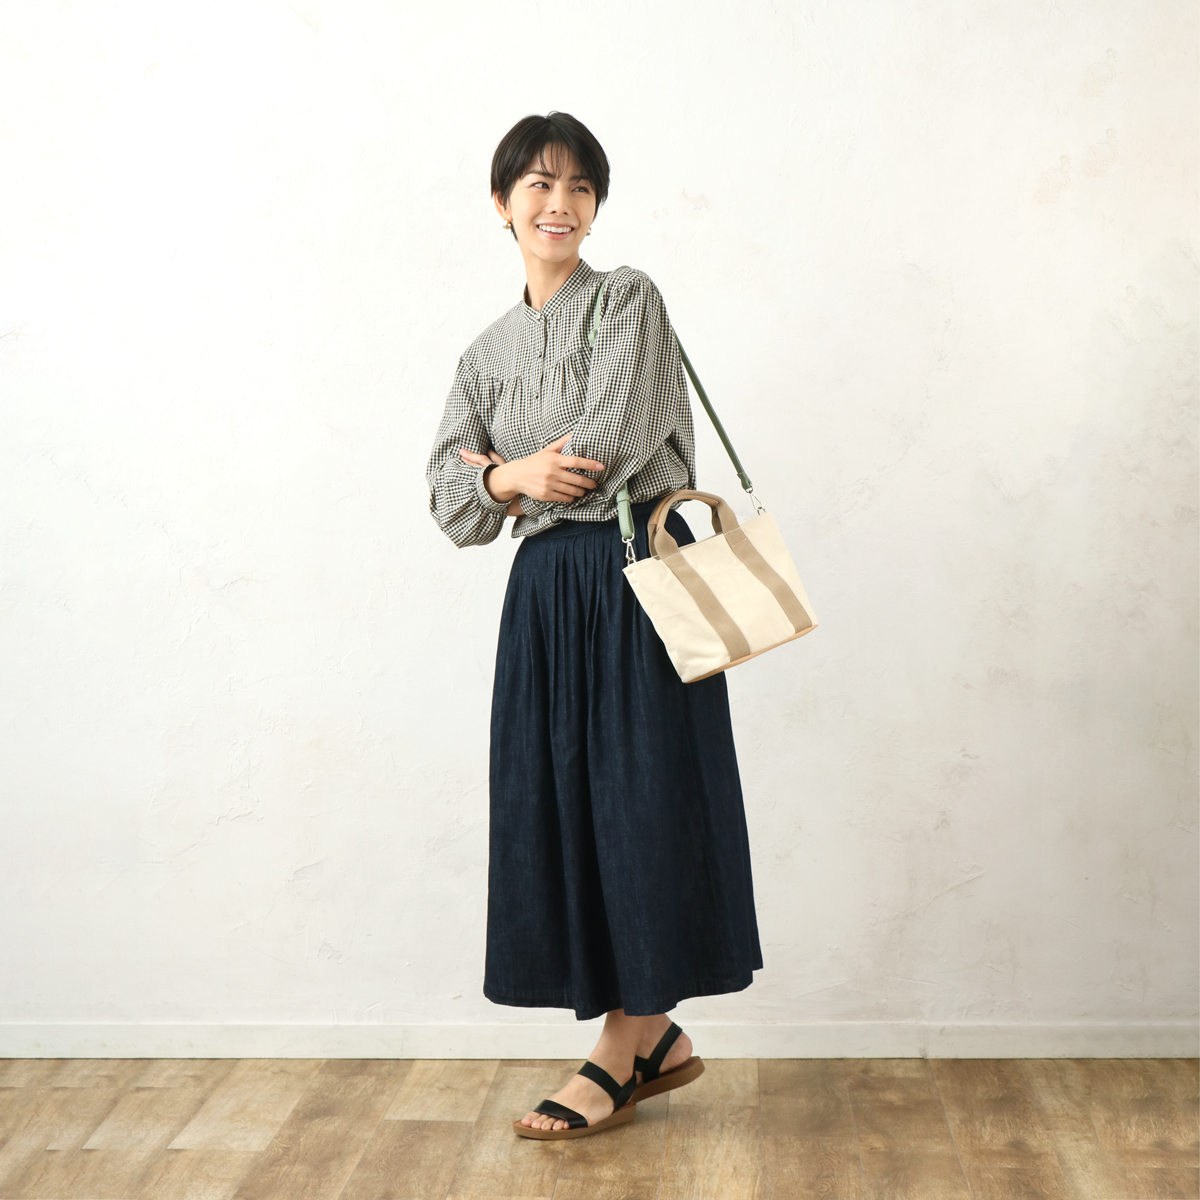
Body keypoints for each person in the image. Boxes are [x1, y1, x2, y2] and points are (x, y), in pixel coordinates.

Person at [425, 111, 762, 1140]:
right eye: (537, 184)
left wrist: (506, 473)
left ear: (596, 204)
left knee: (643, 801)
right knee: (562, 807)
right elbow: (447, 504)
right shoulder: (483, 353)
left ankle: (625, 1042)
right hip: (543, 596)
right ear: (502, 204)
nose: (558, 203)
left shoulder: (628, 300)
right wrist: (507, 479)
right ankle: (654, 1039)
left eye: (578, 186)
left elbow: (600, 451)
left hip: (635, 577)